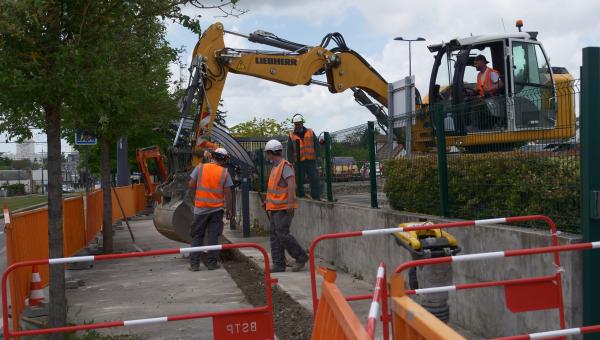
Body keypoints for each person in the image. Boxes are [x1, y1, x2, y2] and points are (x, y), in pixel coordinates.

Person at [264, 139, 308, 273]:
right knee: (275, 235)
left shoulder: (285, 166)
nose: (267, 156)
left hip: (284, 208)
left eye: (268, 153)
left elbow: (291, 185)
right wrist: (267, 202)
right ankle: (278, 264)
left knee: (282, 234)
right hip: (275, 207)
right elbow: (274, 189)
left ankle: (300, 257)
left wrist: (290, 203)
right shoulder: (275, 167)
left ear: (272, 153)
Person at [188, 147, 233, 271]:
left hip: (200, 209)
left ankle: (194, 264)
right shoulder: (224, 172)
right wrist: (229, 210)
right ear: (223, 159)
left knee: (197, 236)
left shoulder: (200, 167)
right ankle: (212, 263)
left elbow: (191, 184)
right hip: (216, 210)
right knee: (213, 236)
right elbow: (228, 194)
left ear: (212, 156)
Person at [287, 113, 321, 200]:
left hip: (311, 161)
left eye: (299, 123)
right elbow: (289, 150)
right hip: (299, 162)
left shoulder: (310, 132)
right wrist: (291, 162)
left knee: (314, 179)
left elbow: (316, 145)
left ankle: (316, 196)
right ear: (294, 125)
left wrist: (318, 156)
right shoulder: (291, 136)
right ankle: (300, 196)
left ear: (302, 123)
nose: (297, 125)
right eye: (296, 124)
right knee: (299, 180)